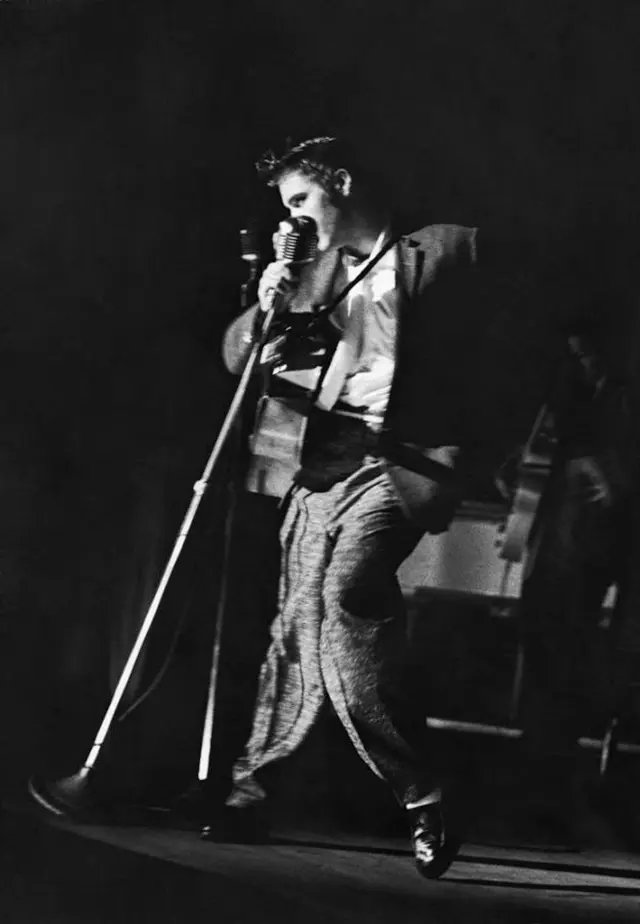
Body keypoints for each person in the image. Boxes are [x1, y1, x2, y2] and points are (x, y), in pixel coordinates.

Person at [209, 135, 555, 879]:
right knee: (296, 625)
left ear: (341, 182)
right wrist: (268, 302)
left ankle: (422, 791)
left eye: (302, 199)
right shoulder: (311, 269)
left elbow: (534, 346)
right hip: (325, 457)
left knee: (347, 595)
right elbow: (239, 356)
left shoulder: (451, 250)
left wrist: (488, 449)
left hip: (403, 462)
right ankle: (252, 791)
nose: (294, 217)